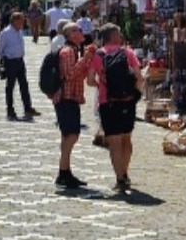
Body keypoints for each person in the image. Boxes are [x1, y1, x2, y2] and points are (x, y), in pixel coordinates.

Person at [87, 22, 142, 193]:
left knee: (114, 142)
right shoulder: (128, 53)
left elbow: (89, 80)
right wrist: (134, 94)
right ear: (115, 36)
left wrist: (101, 85)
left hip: (107, 102)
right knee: (126, 139)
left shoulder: (98, 55)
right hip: (127, 101)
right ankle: (125, 173)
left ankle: (119, 178)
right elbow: (139, 77)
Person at [52, 19, 89, 190]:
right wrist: (85, 59)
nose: (82, 32)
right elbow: (69, 74)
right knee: (72, 135)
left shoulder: (74, 50)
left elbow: (79, 74)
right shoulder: (67, 52)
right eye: (79, 29)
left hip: (72, 97)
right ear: (71, 34)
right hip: (66, 97)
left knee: (68, 135)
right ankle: (63, 172)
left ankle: (65, 172)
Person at [0, 11, 39, 120]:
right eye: (21, 21)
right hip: (10, 61)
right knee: (10, 87)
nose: (23, 24)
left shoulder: (19, 31)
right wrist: (3, 61)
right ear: (15, 21)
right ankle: (10, 109)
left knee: (24, 85)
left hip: (20, 61)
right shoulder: (6, 33)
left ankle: (27, 107)